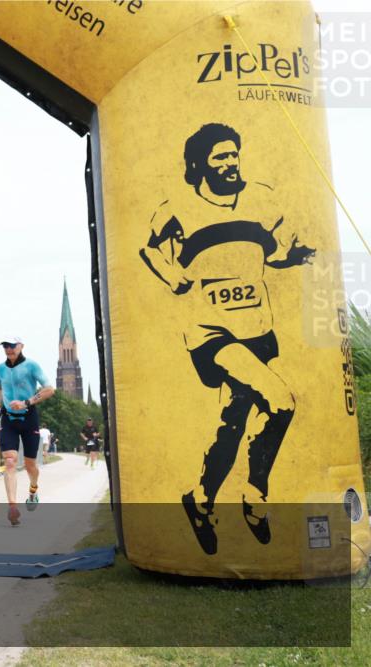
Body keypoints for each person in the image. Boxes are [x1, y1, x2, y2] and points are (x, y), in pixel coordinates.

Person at [139, 123, 313, 555]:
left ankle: (199, 501)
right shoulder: (178, 207)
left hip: (258, 327)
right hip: (210, 332)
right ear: (198, 164)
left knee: (231, 425)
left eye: (234, 154)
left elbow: (271, 254)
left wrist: (293, 257)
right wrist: (173, 275)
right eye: (220, 156)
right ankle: (255, 496)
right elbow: (150, 248)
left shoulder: (261, 199)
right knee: (281, 400)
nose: (230, 162)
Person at [0, 336, 55, 525]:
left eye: (12, 345)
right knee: (10, 461)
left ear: (21, 346)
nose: (9, 349)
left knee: (30, 466)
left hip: (29, 419)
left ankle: (33, 489)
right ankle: (12, 507)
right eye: (5, 345)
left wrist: (26, 402)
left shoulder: (31, 366)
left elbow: (49, 389)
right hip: (8, 420)